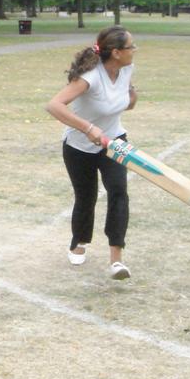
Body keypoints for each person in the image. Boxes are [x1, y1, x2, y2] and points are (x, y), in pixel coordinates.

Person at [45, 26, 139, 280]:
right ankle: (79, 242)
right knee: (86, 196)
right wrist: (88, 128)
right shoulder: (91, 76)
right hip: (79, 146)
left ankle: (116, 260)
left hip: (114, 141)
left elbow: (125, 103)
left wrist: (131, 96)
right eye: (131, 46)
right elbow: (53, 105)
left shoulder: (127, 68)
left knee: (119, 192)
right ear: (117, 52)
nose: (135, 50)